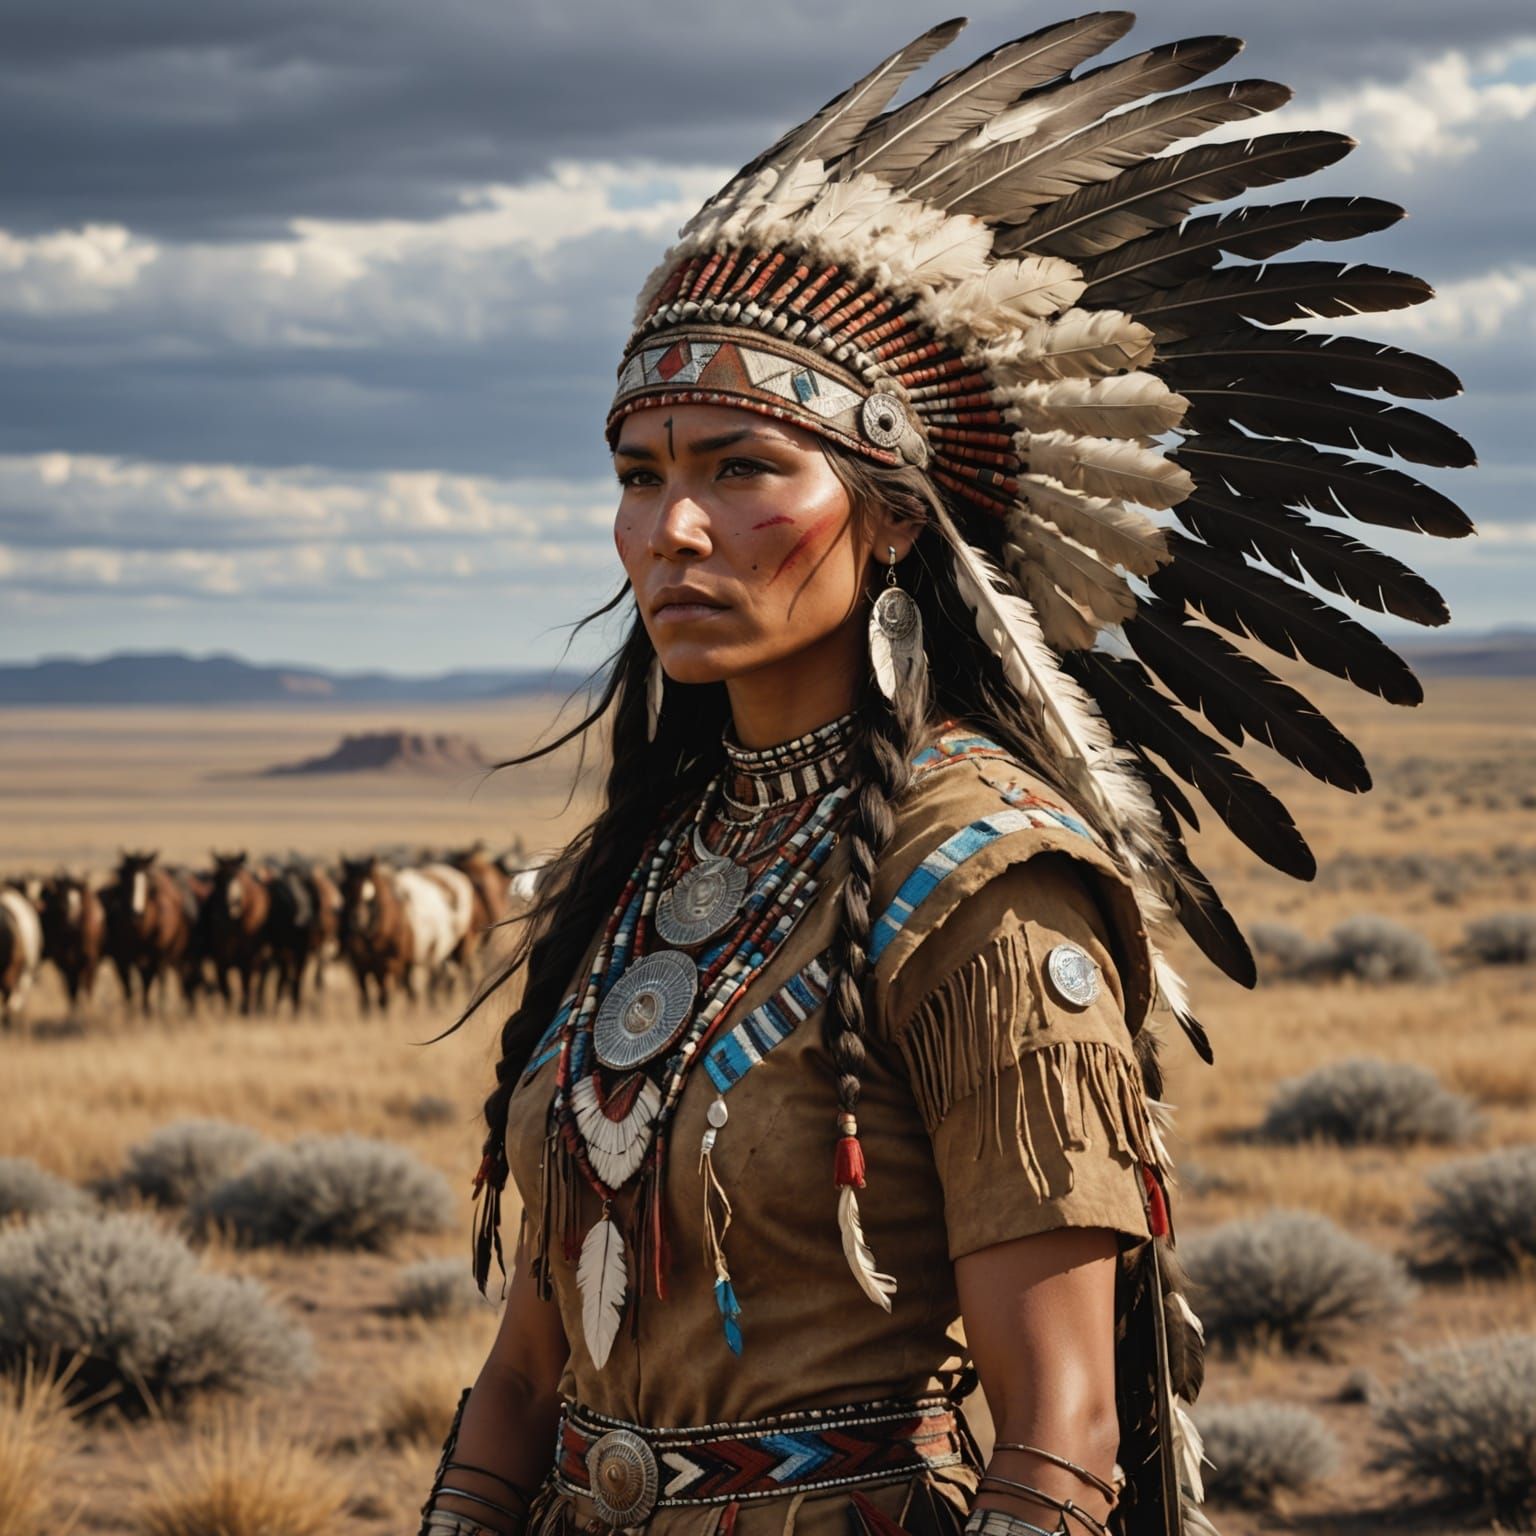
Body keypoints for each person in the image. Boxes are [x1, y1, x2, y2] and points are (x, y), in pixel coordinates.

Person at [417, 14, 1471, 1536]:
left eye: (741, 466)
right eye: (640, 476)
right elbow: (527, 1367)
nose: (674, 531)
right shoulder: (647, 857)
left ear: (895, 518)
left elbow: (1061, 1439)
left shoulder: (980, 879)